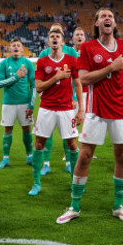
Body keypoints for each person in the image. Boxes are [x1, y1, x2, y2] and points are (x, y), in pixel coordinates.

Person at [57, 8, 123, 224]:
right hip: (95, 111)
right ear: (96, 23)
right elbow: (83, 79)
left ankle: (118, 205)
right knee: (84, 155)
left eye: (111, 16)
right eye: (103, 16)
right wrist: (111, 68)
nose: (107, 18)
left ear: (114, 24)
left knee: (122, 156)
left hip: (122, 110)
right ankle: (74, 206)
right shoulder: (87, 47)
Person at [28, 28, 84, 196]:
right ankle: (36, 183)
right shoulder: (42, 61)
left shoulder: (72, 60)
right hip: (46, 108)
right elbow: (38, 87)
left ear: (62, 42)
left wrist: (81, 109)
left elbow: (79, 84)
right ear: (48, 42)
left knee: (73, 145)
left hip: (67, 109)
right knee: (39, 144)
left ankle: (75, 182)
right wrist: (56, 77)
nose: (54, 38)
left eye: (57, 36)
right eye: (51, 36)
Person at [38, 23, 79, 175]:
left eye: (58, 33)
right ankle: (46, 163)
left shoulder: (71, 53)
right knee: (45, 134)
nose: (55, 36)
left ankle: (69, 162)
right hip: (48, 99)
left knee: (67, 134)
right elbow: (41, 76)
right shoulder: (44, 54)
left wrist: (74, 97)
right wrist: (41, 92)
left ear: (63, 38)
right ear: (49, 38)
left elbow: (75, 79)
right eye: (52, 34)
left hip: (67, 99)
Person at [0, 38, 36, 169]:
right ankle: (5, 159)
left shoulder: (28, 64)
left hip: (24, 103)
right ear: (10, 48)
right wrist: (17, 77)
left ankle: (30, 156)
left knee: (27, 129)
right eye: (13, 45)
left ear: (22, 49)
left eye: (18, 45)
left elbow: (33, 86)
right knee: (7, 129)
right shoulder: (4, 64)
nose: (16, 47)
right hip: (8, 103)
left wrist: (31, 105)